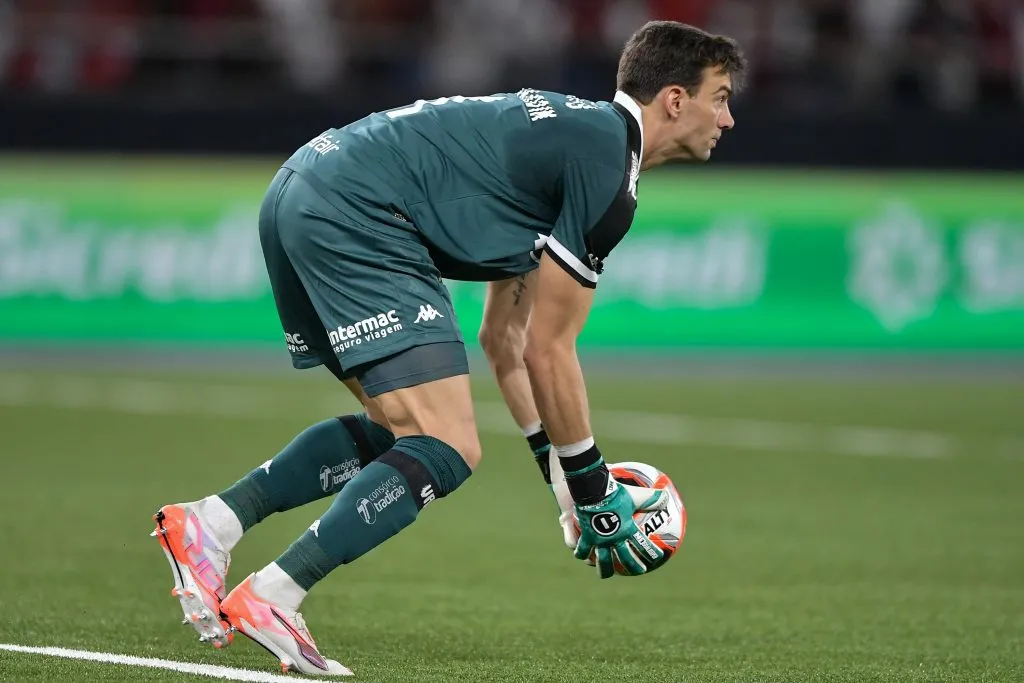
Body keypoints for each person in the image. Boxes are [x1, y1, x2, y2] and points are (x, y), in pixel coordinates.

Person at [151, 20, 745, 676]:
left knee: (400, 432)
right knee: (449, 445)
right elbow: (552, 349)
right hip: (358, 213)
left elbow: (506, 339)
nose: (730, 118)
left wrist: (556, 472)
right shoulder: (608, 173)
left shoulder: (575, 141)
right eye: (720, 97)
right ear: (674, 99)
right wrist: (593, 485)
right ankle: (275, 592)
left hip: (300, 190)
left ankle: (216, 521)